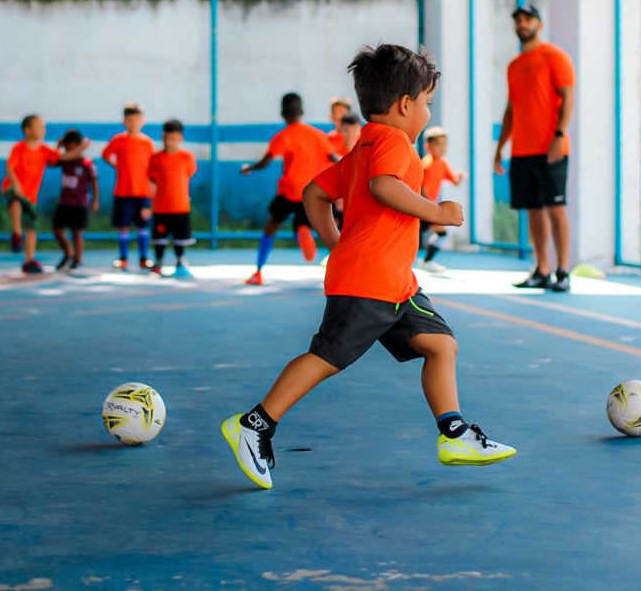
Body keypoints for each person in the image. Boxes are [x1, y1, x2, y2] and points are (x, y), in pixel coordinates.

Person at [221, 43, 516, 490]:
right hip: (370, 281)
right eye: (428, 105)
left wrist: (335, 243)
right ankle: (255, 424)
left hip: (396, 284)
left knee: (441, 345)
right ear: (404, 105)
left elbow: (313, 194)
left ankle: (454, 434)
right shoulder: (396, 145)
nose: (427, 115)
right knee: (326, 358)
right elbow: (384, 187)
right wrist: (436, 212)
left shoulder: (363, 149)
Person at [493, 4, 575, 292]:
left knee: (555, 207)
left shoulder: (555, 56)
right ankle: (541, 268)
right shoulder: (514, 65)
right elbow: (511, 108)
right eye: (517, 20)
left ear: (539, 24)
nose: (522, 24)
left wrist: (559, 134)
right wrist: (500, 146)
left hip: (551, 147)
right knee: (533, 210)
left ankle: (563, 270)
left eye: (527, 19)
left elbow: (568, 97)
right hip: (522, 150)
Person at [241, 93, 339, 285]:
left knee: (271, 227)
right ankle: (305, 234)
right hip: (310, 192)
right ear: (301, 111)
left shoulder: (282, 136)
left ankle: (258, 272)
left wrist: (248, 168)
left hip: (288, 192)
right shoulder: (318, 135)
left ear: (282, 113)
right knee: (310, 225)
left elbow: (264, 163)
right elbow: (334, 159)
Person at [0, 114, 85, 274]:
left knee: (32, 228)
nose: (43, 130)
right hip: (13, 188)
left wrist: (79, 149)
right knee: (15, 200)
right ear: (27, 130)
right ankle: (17, 233)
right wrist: (16, 184)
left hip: (31, 196)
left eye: (44, 127)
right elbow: (10, 167)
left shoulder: (44, 150)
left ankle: (29, 260)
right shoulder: (19, 148)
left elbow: (61, 157)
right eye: (39, 127)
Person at [101, 103, 157, 271]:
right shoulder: (118, 140)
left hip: (142, 192)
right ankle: (123, 258)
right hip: (123, 191)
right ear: (124, 121)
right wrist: (116, 164)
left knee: (143, 225)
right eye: (130, 120)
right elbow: (106, 154)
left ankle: (144, 258)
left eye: (137, 119)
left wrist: (153, 188)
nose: (133, 123)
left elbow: (153, 167)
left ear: (143, 121)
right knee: (123, 225)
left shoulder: (147, 142)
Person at [147, 119, 198, 278]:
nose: (170, 142)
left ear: (180, 138)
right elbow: (152, 181)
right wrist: (149, 204)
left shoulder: (186, 157)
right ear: (163, 137)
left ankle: (180, 261)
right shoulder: (155, 158)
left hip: (180, 206)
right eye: (167, 138)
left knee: (180, 237)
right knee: (160, 237)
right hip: (161, 207)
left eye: (174, 139)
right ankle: (159, 262)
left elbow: (188, 174)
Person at [417, 126, 465, 273]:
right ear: (428, 146)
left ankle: (426, 261)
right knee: (421, 235)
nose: (442, 148)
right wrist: (431, 207)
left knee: (438, 233)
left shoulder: (443, 164)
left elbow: (455, 182)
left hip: (429, 208)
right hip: (421, 207)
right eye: (438, 144)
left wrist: (461, 177)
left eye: (444, 144)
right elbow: (421, 189)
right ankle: (424, 261)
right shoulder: (425, 164)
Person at [52, 128, 99, 271]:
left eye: (73, 148)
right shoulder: (65, 160)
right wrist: (58, 147)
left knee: (76, 231)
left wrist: (95, 200)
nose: (69, 151)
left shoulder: (87, 164)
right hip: (64, 202)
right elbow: (52, 162)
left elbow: (94, 182)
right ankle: (68, 252)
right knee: (57, 228)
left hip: (79, 203)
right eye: (67, 147)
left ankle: (78, 259)